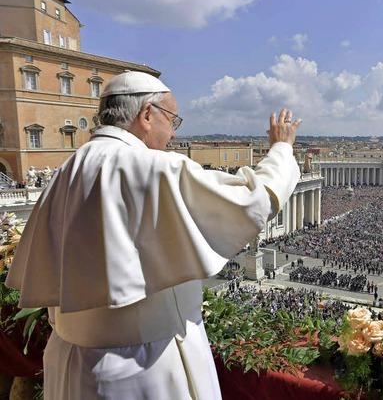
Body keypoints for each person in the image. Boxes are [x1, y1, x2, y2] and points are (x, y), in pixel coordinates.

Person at [5, 71, 302, 400]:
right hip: (142, 370)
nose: (173, 135)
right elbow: (253, 200)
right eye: (173, 120)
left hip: (71, 365)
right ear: (147, 114)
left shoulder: (66, 171)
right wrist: (281, 150)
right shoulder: (151, 167)